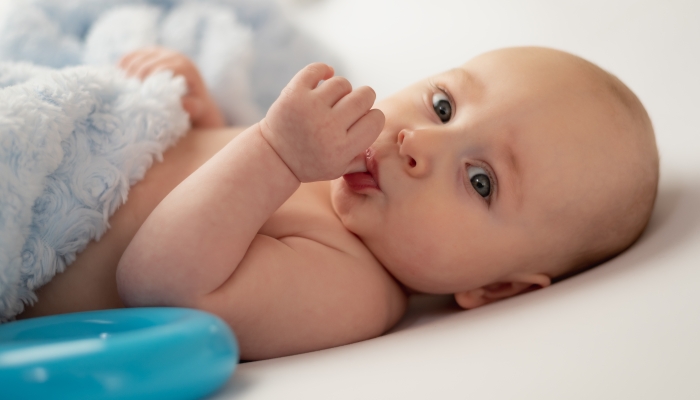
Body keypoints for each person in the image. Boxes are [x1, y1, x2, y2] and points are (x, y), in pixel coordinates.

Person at [17, 46, 659, 361]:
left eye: (481, 180)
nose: (419, 143)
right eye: (444, 106)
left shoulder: (349, 288)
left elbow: (159, 283)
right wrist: (196, 121)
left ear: (496, 289)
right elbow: (205, 180)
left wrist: (272, 151)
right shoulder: (330, 161)